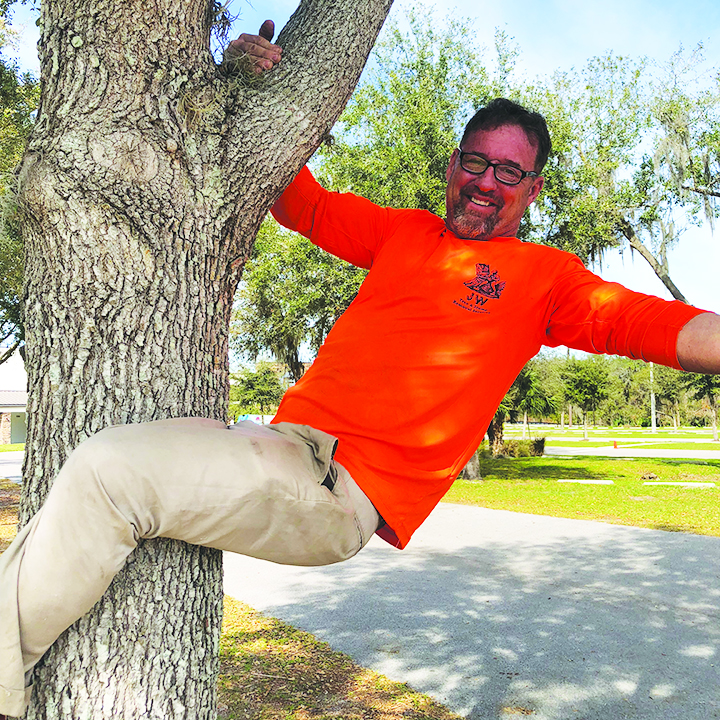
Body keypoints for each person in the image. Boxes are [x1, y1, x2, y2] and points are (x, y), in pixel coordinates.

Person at [1, 25, 719, 720]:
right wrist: (269, 93)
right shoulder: (403, 233)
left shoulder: (547, 280)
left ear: (530, 191)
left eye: (509, 172)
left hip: (335, 493)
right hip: (283, 446)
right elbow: (302, 205)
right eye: (475, 161)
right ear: (452, 164)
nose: (485, 183)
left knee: (110, 470)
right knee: (93, 477)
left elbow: (658, 327)